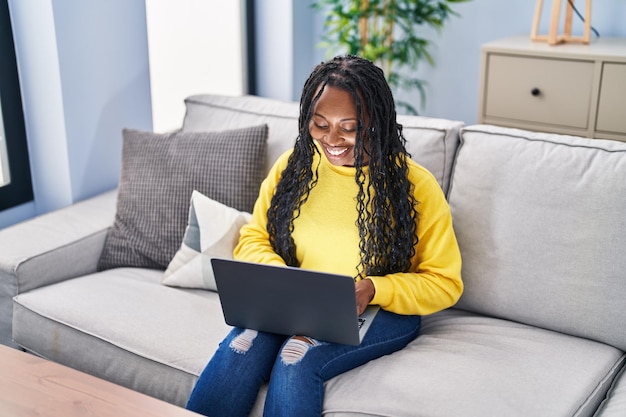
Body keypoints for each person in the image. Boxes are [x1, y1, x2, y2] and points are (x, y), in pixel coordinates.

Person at [185, 55, 463, 417]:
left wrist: (375, 288)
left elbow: (445, 282)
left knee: (295, 356)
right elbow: (254, 236)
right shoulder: (293, 167)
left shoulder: (415, 186)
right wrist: (278, 276)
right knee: (243, 345)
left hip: (383, 311)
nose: (332, 140)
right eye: (320, 124)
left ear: (375, 123)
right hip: (295, 300)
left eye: (349, 127)